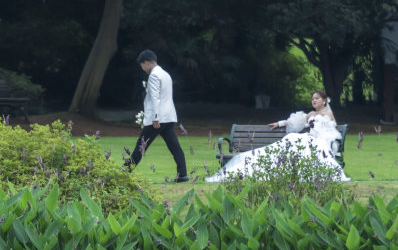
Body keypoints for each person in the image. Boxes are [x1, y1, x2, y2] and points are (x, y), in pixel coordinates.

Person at [205, 89, 350, 183]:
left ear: (324, 100)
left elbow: (330, 131)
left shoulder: (327, 114)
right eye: (312, 98)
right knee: (291, 139)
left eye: (317, 98)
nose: (314, 101)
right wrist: (280, 123)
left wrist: (320, 141)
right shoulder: (311, 114)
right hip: (309, 138)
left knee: (297, 141)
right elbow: (295, 122)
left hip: (319, 141)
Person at [128, 50, 188, 182]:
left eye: (142, 65)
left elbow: (155, 98)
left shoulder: (154, 76)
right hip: (168, 117)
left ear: (147, 63)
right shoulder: (166, 74)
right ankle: (182, 174)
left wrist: (155, 117)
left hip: (158, 119)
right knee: (175, 147)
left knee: (141, 146)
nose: (143, 69)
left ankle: (125, 172)